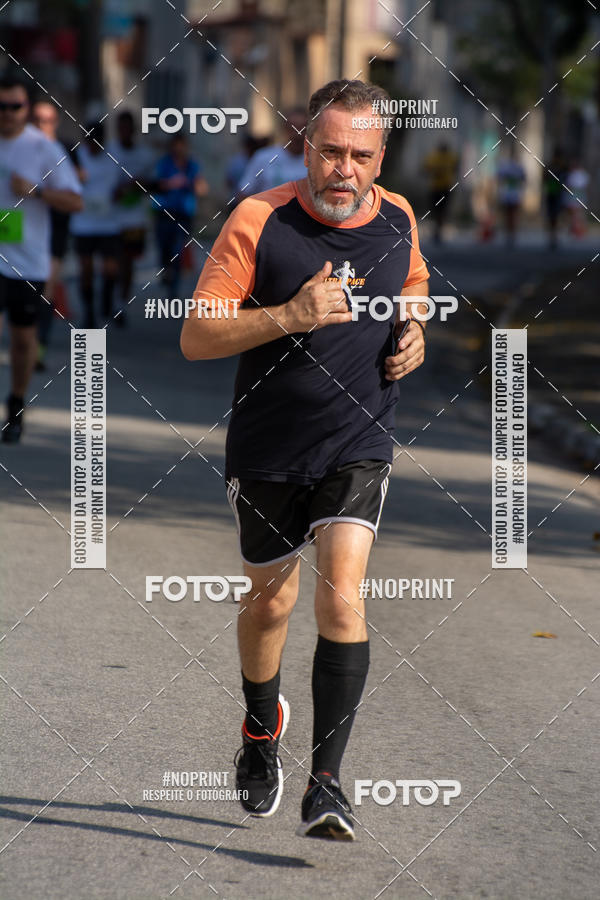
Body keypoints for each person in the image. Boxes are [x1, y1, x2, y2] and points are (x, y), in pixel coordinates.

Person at [180, 79, 429, 840]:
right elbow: (196, 335)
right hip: (268, 446)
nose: (343, 169)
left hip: (358, 441)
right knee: (271, 603)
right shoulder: (261, 220)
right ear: (306, 146)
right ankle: (261, 731)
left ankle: (327, 783)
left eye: (360, 155)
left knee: (342, 598)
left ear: (380, 156)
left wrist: (414, 328)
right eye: (329, 151)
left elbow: (412, 280)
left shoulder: (399, 218)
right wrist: (289, 315)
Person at [0, 74, 81, 444]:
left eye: (14, 106)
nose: (7, 114)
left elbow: (74, 201)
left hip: (26, 262)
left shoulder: (43, 149)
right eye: (1, 107)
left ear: (26, 108)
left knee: (21, 341)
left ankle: (16, 403)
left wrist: (34, 191)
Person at [31, 100, 74, 369]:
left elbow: (78, 187)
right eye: (37, 119)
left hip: (54, 230)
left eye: (47, 121)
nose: (41, 126)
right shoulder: (16, 148)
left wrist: (44, 190)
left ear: (55, 123)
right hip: (16, 231)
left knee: (45, 291)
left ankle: (39, 347)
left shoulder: (65, 150)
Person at [70, 121, 121, 327]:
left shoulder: (113, 158)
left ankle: (107, 300)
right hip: (83, 224)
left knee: (110, 269)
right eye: (88, 142)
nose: (92, 147)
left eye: (96, 142)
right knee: (86, 270)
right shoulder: (77, 157)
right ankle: (89, 312)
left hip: (108, 224)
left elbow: (123, 183)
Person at [108, 110, 155, 325]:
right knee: (112, 262)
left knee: (127, 262)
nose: (125, 132)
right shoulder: (109, 152)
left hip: (135, 219)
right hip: (110, 218)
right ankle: (108, 297)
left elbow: (154, 183)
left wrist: (139, 185)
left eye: (129, 128)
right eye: (121, 128)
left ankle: (120, 304)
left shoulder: (145, 155)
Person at [153, 134, 208, 294]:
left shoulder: (192, 165)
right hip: (164, 212)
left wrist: (195, 186)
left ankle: (173, 285)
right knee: (164, 247)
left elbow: (201, 187)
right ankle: (165, 271)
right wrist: (172, 183)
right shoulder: (164, 164)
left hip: (183, 215)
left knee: (178, 250)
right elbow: (156, 184)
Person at [238, 109, 308, 196]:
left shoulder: (317, 160)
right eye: (293, 129)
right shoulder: (263, 157)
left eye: (302, 129)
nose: (297, 134)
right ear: (284, 129)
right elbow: (244, 192)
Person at [422, 142, 459, 242]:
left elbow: (425, 169)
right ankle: (438, 229)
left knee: (438, 210)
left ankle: (438, 230)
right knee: (440, 210)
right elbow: (456, 167)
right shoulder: (448, 157)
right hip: (442, 187)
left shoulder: (436, 157)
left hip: (440, 187)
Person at [496, 145, 526, 245]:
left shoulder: (508, 166)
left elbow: (499, 177)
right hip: (511, 193)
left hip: (510, 194)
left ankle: (510, 234)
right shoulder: (516, 166)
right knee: (511, 215)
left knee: (510, 215)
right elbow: (524, 179)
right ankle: (511, 234)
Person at [543, 148, 567, 250]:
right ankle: (552, 237)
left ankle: (554, 236)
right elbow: (544, 177)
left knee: (555, 216)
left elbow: (566, 179)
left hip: (558, 193)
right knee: (552, 216)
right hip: (551, 193)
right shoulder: (551, 166)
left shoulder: (562, 167)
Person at [564, 159, 589, 238]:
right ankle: (576, 230)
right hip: (576, 194)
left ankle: (579, 231)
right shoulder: (579, 174)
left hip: (577, 194)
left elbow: (571, 185)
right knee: (576, 214)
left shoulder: (578, 174)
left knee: (577, 214)